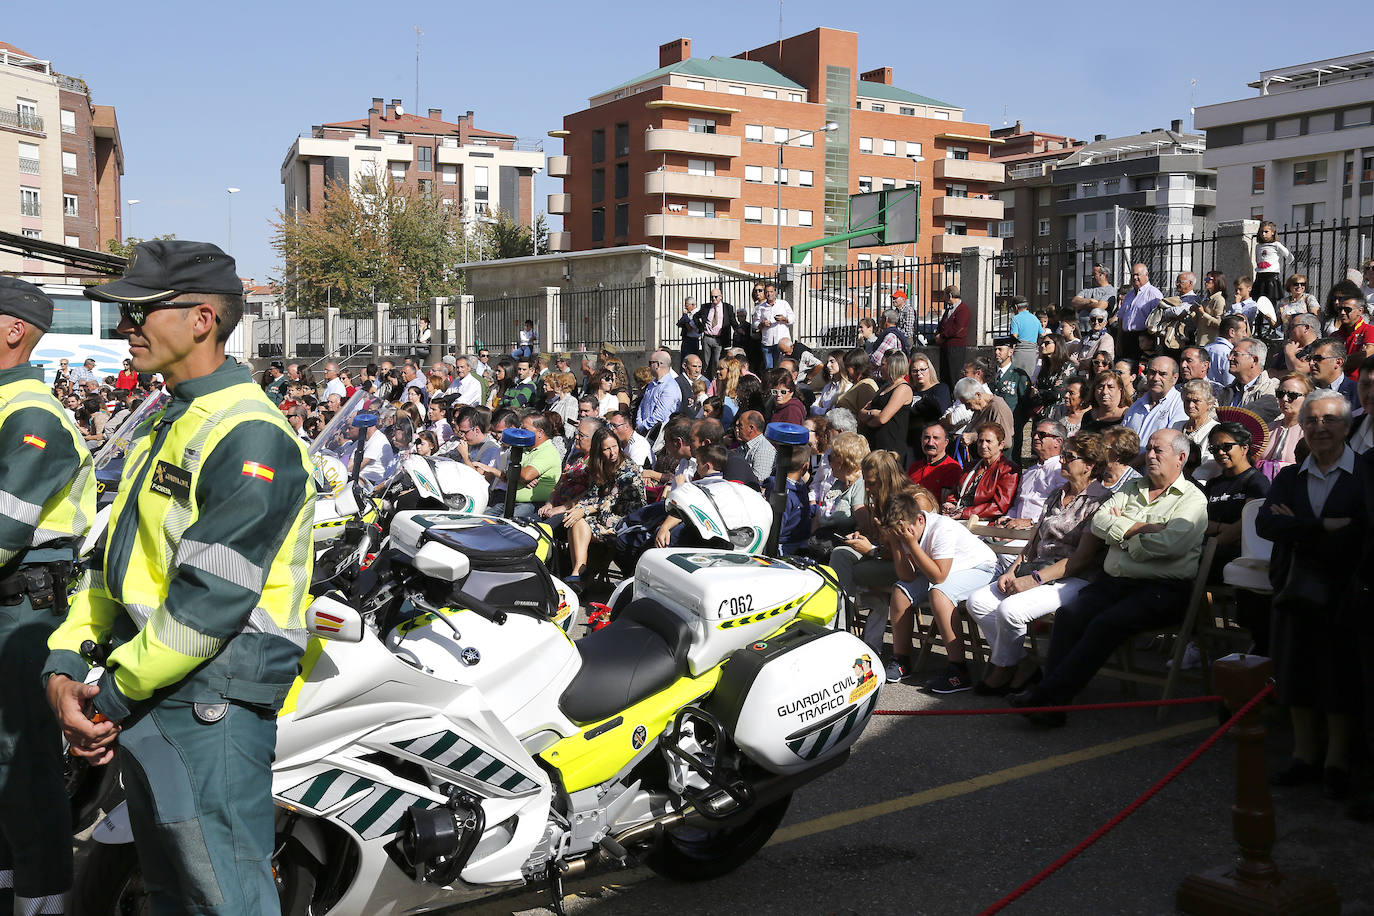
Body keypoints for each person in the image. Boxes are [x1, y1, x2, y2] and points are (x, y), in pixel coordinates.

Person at [45, 241, 314, 913]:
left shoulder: (249, 433)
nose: (122, 330)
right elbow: (116, 565)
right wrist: (66, 658)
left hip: (208, 704)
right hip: (157, 697)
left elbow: (208, 604)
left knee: (223, 898)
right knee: (172, 896)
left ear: (201, 319)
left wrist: (106, 699)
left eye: (138, 313)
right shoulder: (169, 416)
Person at [0, 279, 97, 916]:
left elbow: (3, 530)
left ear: (12, 330)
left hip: (22, 612)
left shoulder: (32, 415)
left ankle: (39, 896)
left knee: (20, 755)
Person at [1010, 429, 1207, 725]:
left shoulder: (1192, 500)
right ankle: (1052, 703)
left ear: (1181, 457)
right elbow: (1100, 523)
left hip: (1162, 589)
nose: (1149, 455)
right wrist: (1141, 529)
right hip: (1115, 582)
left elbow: (1169, 545)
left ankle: (1047, 697)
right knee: (1069, 615)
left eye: (1158, 450)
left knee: (1107, 623)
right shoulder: (1132, 488)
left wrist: (1123, 535)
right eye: (1149, 448)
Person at [1258, 390, 1365, 801]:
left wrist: (1299, 526)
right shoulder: (1289, 477)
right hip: (1296, 587)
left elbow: (1360, 530)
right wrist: (1321, 528)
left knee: (1341, 675)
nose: (1320, 428)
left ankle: (1336, 761)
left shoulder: (1366, 475)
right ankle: (1304, 756)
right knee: (1295, 671)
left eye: (1330, 420)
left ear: (1347, 425)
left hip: (1347, 590)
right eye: (1312, 420)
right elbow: (1268, 524)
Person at [966, 432, 1110, 695]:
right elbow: (1033, 542)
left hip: (1074, 577)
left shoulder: (1099, 501)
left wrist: (1034, 580)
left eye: (1069, 457)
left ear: (1089, 465)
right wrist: (1011, 571)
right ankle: (1021, 663)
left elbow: (1082, 559)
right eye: (1063, 454)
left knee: (1011, 610)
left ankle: (1002, 669)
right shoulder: (1057, 493)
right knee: (978, 601)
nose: (1062, 460)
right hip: (1038, 568)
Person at [882, 489, 997, 692]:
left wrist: (910, 544)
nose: (903, 536)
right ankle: (901, 660)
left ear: (919, 519)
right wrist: (896, 543)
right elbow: (907, 577)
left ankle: (959, 670)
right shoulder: (905, 529)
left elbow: (939, 576)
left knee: (940, 593)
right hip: (945, 572)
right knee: (900, 591)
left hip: (980, 568)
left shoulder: (941, 528)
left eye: (905, 532)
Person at [1201, 421, 1272, 653]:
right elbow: (1199, 522)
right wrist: (1222, 528)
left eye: (1226, 446)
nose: (1220, 452)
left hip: (1238, 554)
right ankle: (1197, 640)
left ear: (1244, 447)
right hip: (1214, 551)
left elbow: (1245, 526)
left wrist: (1216, 532)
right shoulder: (1213, 484)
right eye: (1214, 449)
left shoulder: (1257, 482)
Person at [564, 426, 647, 587]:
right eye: (607, 449)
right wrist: (576, 508)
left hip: (626, 518)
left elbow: (612, 498)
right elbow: (593, 495)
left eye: (614, 446)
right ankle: (578, 574)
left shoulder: (628, 468)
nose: (612, 452)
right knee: (574, 521)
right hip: (606, 513)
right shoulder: (600, 466)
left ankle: (579, 575)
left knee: (580, 521)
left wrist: (584, 510)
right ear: (598, 451)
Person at [942, 421, 1019, 521]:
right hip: (960, 516)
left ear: (1001, 445)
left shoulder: (1008, 470)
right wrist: (951, 503)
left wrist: (964, 513)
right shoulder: (971, 466)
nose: (983, 445)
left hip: (985, 523)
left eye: (988, 441)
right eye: (980, 441)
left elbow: (999, 506)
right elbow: (956, 492)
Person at [1001, 419, 1067, 526]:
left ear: (1058, 442)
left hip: (1042, 530)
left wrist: (1031, 522)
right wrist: (1008, 518)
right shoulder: (1028, 472)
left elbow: (1061, 507)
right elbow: (1018, 504)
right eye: (1034, 434)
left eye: (1042, 434)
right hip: (1016, 528)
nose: (1035, 437)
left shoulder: (1061, 470)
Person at [1123, 356, 1186, 449]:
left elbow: (1167, 446)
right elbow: (1122, 435)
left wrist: (1133, 463)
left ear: (1175, 378)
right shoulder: (1137, 404)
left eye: (1163, 374)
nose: (1156, 378)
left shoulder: (1180, 405)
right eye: (1152, 372)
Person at [813, 431, 868, 537]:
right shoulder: (838, 483)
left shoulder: (859, 485)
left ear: (840, 461)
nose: (828, 463)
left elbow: (864, 526)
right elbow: (820, 516)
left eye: (830, 457)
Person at [1258, 373, 1313, 479]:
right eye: (1280, 393)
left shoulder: (1310, 432)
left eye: (1292, 395)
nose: (1284, 399)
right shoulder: (1267, 429)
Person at [860, 350, 913, 457]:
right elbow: (861, 413)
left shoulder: (903, 388)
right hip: (874, 444)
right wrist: (873, 413)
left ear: (893, 366)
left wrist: (871, 417)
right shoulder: (885, 387)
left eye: (883, 365)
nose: (880, 368)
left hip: (890, 448)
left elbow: (882, 418)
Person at [1174, 378, 1221, 482]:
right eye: (1187, 400)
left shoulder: (1215, 430)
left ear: (1210, 403)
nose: (1190, 405)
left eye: (1196, 401)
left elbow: (1208, 467)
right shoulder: (1177, 426)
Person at [1115, 263, 1164, 360]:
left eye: (1138, 274)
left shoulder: (1153, 294)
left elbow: (1159, 319)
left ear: (1146, 275)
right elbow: (1121, 317)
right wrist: (1119, 340)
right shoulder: (1129, 295)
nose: (1135, 277)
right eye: (1133, 275)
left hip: (1144, 338)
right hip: (1127, 338)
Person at [907, 421, 963, 503]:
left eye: (936, 438)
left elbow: (947, 503)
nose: (930, 443)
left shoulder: (952, 468)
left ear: (946, 442)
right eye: (926, 438)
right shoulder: (914, 467)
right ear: (921, 440)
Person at [635, 349, 681, 436]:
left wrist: (642, 426)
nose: (648, 367)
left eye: (650, 363)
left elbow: (660, 415)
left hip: (658, 436)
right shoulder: (652, 384)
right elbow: (642, 406)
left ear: (658, 365)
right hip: (645, 432)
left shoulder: (670, 387)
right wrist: (639, 423)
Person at [1333, 286, 1374, 378]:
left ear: (1360, 311)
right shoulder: (1334, 336)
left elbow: (1366, 355)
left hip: (1360, 385)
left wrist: (1336, 363)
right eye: (1340, 309)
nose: (1342, 313)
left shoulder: (1370, 330)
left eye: (1347, 310)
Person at [1306, 338, 1359, 406]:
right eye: (1309, 358)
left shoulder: (1357, 392)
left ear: (1338, 362)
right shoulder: (1304, 391)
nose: (1311, 363)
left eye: (1318, 358)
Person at [755, 281, 794, 369]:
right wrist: (762, 324)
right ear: (765, 293)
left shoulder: (783, 304)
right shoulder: (760, 307)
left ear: (775, 292)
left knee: (780, 366)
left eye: (771, 291)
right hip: (767, 342)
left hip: (781, 342)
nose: (769, 294)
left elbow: (793, 318)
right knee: (769, 367)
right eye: (767, 292)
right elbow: (755, 324)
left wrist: (784, 318)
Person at [1253, 221, 1292, 308]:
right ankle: (1259, 321)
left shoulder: (1276, 245)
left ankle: (1272, 320)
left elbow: (1289, 256)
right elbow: (1257, 260)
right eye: (1261, 232)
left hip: (1272, 277)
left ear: (1273, 232)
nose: (1263, 234)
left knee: (1271, 302)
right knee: (1258, 302)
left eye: (1266, 232)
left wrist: (1281, 267)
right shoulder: (1258, 246)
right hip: (1260, 276)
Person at [935, 286, 969, 384]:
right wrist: (937, 334)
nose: (943, 298)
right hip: (945, 347)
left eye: (944, 295)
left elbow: (958, 328)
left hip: (955, 347)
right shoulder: (949, 309)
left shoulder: (963, 309)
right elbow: (942, 324)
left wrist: (942, 336)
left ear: (950, 295)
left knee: (954, 376)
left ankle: (955, 398)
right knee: (944, 376)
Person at [1070, 264, 1117, 333]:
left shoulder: (1110, 290)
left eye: (1094, 274)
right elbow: (1074, 301)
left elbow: (1100, 307)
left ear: (1103, 275)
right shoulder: (1087, 289)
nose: (1092, 276)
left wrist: (1081, 307)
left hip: (1098, 331)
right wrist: (1090, 300)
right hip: (1082, 331)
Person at [734, 409, 776, 482]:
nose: (737, 429)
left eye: (740, 425)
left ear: (751, 428)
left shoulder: (764, 450)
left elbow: (759, 482)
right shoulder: (743, 446)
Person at [835, 348, 878, 416]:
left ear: (857, 367)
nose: (845, 370)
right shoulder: (858, 384)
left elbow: (865, 414)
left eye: (847, 367)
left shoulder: (866, 386)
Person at [1100, 426, 1142, 493]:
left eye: (1105, 446)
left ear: (1119, 452)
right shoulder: (1097, 472)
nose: (1099, 449)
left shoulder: (1135, 482)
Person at [1007, 298, 1040, 376]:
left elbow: (1014, 338)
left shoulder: (1015, 319)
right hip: (1033, 353)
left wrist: (1010, 351)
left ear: (1015, 307)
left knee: (1016, 377)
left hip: (1019, 353)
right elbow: (1042, 334)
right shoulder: (1035, 318)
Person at [1077, 308, 1115, 372]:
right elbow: (1074, 354)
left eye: (1100, 320)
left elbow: (1100, 359)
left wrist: (1079, 363)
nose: (1096, 322)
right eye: (1093, 319)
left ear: (1105, 323)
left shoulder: (1107, 338)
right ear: (1089, 322)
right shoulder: (1085, 338)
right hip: (1080, 372)